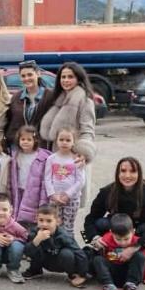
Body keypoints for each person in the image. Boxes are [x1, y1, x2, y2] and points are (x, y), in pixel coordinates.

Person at [83, 157, 145, 279]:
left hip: (141, 230)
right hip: (118, 228)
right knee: (100, 223)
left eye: (133, 171)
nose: (127, 175)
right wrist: (94, 238)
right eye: (123, 171)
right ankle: (106, 255)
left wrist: (134, 247)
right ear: (118, 173)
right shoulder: (107, 191)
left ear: (139, 173)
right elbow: (90, 219)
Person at [39, 62, 96, 207]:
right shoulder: (59, 99)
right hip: (56, 156)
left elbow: (88, 130)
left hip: (73, 158)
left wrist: (83, 153)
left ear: (79, 79)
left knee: (69, 203)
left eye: (70, 77)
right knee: (53, 207)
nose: (66, 80)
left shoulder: (85, 101)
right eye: (63, 77)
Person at [93, 214, 145, 290]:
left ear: (133, 232)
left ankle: (130, 287)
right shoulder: (106, 238)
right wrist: (96, 243)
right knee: (97, 259)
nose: (122, 243)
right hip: (113, 273)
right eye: (118, 239)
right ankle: (110, 287)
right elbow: (99, 252)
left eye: (126, 239)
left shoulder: (137, 242)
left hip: (129, 273)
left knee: (140, 256)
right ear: (111, 233)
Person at [23, 205, 88, 286]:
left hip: (60, 262)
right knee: (35, 246)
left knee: (66, 253)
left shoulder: (64, 235)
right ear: (36, 220)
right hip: (44, 261)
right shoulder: (34, 233)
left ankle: (72, 274)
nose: (44, 224)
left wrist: (82, 274)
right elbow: (26, 252)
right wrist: (37, 240)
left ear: (57, 222)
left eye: (49, 221)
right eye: (41, 220)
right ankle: (35, 270)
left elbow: (79, 252)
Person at [4, 60, 54, 150]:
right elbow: (11, 122)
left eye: (30, 75)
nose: (26, 78)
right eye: (23, 76)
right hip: (20, 146)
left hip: (42, 147)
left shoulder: (50, 96)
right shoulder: (16, 97)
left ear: (38, 74)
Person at [44, 127, 85, 233]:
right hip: (55, 199)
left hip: (72, 199)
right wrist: (52, 194)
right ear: (56, 141)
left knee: (68, 227)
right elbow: (47, 178)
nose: (64, 142)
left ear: (73, 142)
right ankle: (55, 243)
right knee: (54, 225)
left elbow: (80, 181)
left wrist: (68, 194)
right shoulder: (51, 159)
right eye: (61, 139)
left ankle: (68, 243)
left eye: (68, 140)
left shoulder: (77, 160)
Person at [10, 125, 51, 227]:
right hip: (19, 190)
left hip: (34, 193)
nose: (25, 142)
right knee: (18, 219)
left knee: (32, 219)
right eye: (23, 139)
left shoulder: (42, 158)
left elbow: (44, 182)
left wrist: (43, 204)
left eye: (29, 139)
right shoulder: (15, 156)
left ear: (35, 140)